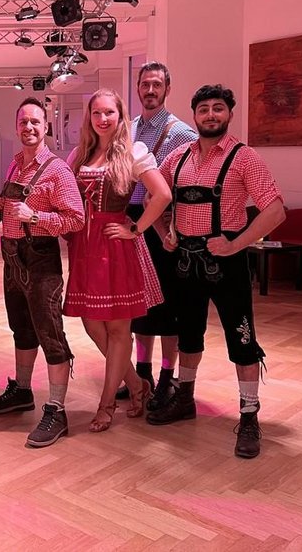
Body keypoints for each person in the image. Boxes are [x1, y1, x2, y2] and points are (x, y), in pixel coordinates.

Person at [148, 84, 285, 459]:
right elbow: (154, 197)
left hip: (228, 264)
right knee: (188, 335)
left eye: (218, 108)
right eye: (204, 108)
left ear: (229, 114)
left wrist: (236, 244)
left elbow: (275, 210)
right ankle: (185, 399)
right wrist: (164, 233)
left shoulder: (245, 158)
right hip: (185, 263)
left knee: (242, 339)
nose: (211, 114)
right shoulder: (177, 157)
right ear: (194, 115)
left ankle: (249, 415)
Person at [64, 88, 172, 433]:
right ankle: (137, 383)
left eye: (109, 112)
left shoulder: (132, 152)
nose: (102, 119)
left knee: (117, 328)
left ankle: (107, 404)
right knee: (92, 324)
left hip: (115, 246)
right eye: (96, 113)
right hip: (84, 247)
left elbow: (163, 194)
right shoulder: (80, 154)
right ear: (89, 117)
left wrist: (135, 229)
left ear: (120, 116)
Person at [0, 97, 84, 448]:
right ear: (16, 126)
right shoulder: (15, 165)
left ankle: (57, 408)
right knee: (22, 329)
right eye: (23, 121)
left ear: (46, 127)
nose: (29, 127)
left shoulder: (57, 170)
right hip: (13, 257)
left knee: (50, 332)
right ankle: (23, 391)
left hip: (41, 258)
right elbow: (13, 207)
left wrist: (35, 216)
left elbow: (77, 219)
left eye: (35, 122)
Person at [119, 61, 197, 411]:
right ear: (137, 88)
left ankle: (167, 376)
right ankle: (142, 372)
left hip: (162, 224)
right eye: (145, 84)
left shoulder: (182, 133)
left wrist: (174, 226)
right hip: (132, 221)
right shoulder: (128, 129)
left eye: (156, 85)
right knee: (140, 304)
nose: (150, 90)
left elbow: (188, 184)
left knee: (167, 305)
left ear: (167, 89)